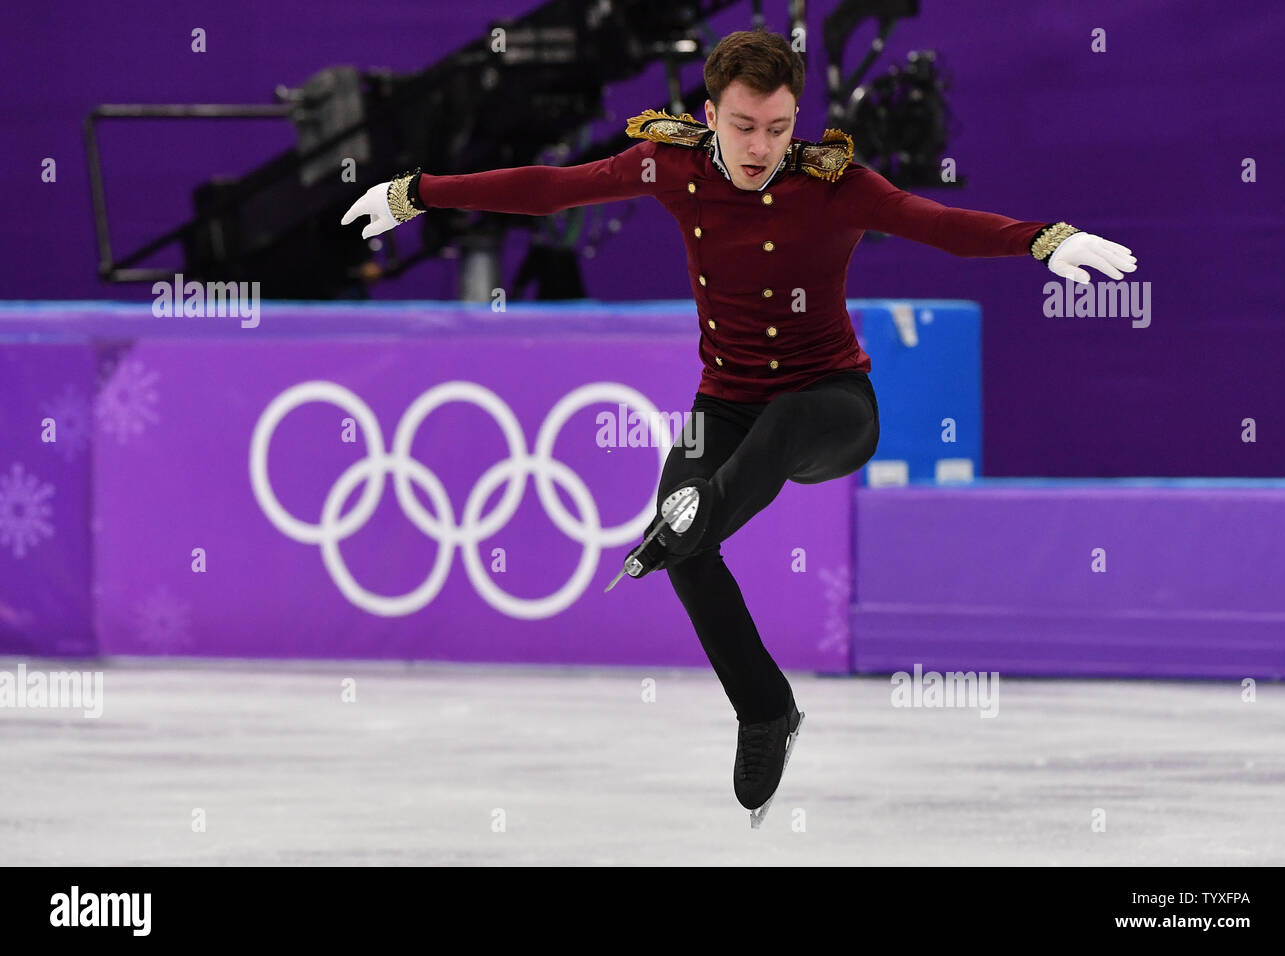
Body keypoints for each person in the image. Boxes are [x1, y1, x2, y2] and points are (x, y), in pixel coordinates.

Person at [342, 29, 1137, 826]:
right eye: (744, 126)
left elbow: (936, 222)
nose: (762, 146)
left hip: (832, 405)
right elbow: (550, 188)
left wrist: (1044, 239)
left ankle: (689, 520)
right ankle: (764, 709)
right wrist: (419, 192)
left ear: (797, 119)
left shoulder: (836, 184)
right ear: (710, 115)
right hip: (723, 405)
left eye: (780, 128)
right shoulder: (668, 164)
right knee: (687, 549)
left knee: (741, 467)